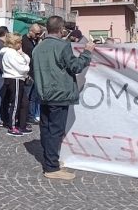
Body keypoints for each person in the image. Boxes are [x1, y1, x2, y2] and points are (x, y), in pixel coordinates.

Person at [32, 16, 95, 180]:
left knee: (46, 129)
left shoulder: (37, 48)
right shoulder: (62, 46)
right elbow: (76, 66)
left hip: (44, 93)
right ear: (61, 30)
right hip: (59, 94)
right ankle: (52, 168)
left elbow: (33, 71)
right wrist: (87, 51)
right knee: (55, 131)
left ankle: (49, 161)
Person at [0, 33, 31, 137]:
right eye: (19, 42)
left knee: (24, 103)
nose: (21, 44)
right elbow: (22, 68)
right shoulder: (10, 53)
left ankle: (21, 125)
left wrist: (22, 55)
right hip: (15, 79)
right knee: (15, 104)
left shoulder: (15, 52)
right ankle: (12, 126)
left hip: (18, 79)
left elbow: (27, 60)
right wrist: (26, 66)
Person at [22, 23, 42, 125]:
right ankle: (27, 116)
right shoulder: (24, 41)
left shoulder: (35, 40)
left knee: (34, 97)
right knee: (27, 96)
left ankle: (32, 115)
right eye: (37, 33)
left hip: (35, 72)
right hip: (28, 73)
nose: (38, 35)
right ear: (31, 31)